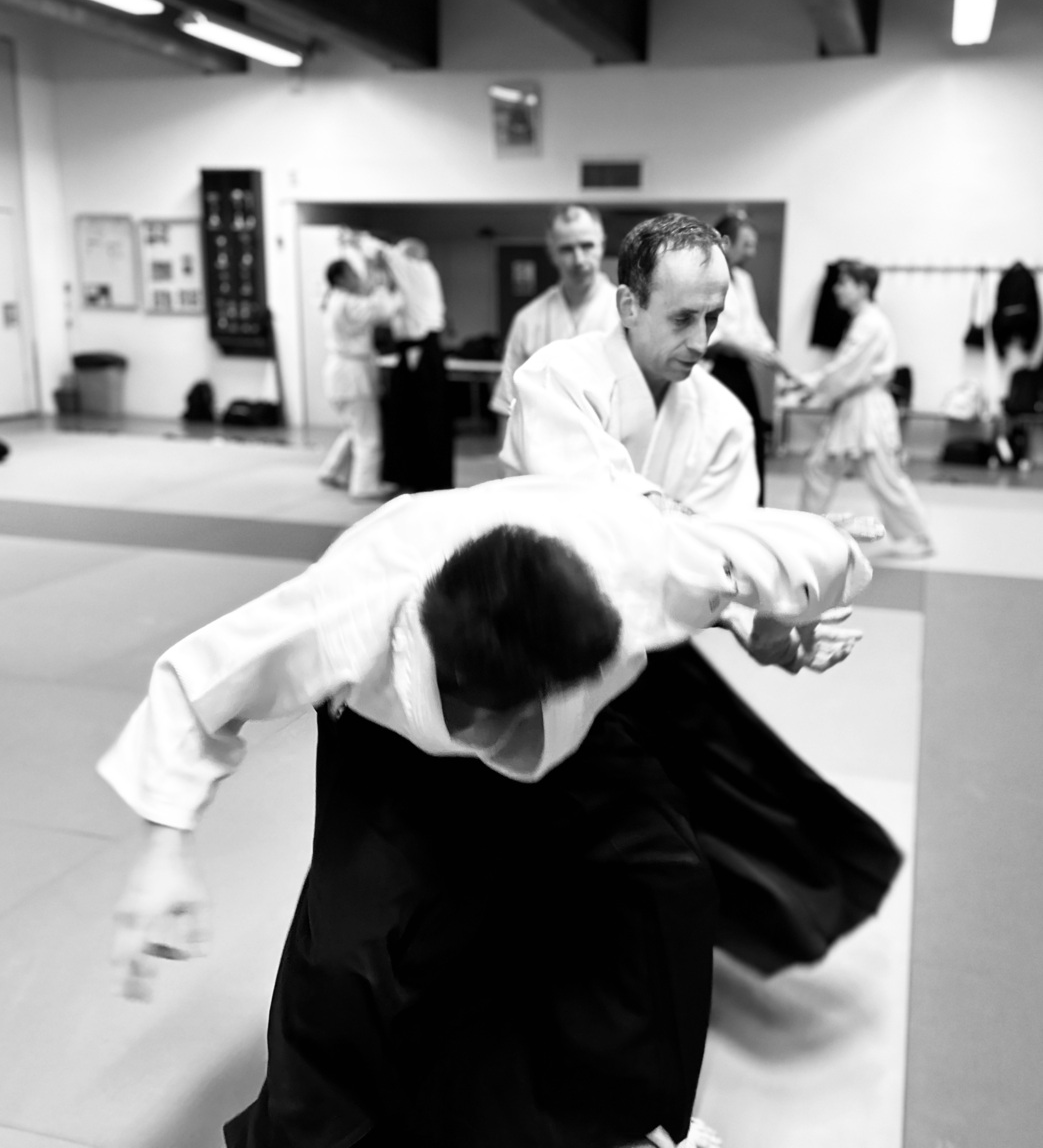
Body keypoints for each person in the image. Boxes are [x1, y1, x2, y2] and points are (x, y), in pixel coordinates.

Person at [100, 476, 874, 1148]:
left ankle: (630, 1118)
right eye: (495, 716)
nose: (504, 737)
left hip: (570, 712)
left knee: (664, 879)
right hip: (386, 734)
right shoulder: (346, 610)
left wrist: (770, 624)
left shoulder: (640, 557)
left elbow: (813, 553)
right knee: (352, 951)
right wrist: (164, 849)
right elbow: (194, 687)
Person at [503, 213, 903, 975]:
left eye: (713, 317)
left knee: (729, 801)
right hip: (532, 639)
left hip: (640, 639)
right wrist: (769, 547)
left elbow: (709, 564)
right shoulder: (556, 377)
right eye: (682, 317)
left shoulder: (721, 418)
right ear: (628, 304)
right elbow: (603, 517)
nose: (702, 337)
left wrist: (753, 616)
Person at [794, 259, 935, 559]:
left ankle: (918, 536)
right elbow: (844, 370)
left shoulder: (871, 323)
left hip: (869, 409)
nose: (836, 289)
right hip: (853, 406)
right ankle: (807, 532)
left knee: (884, 476)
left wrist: (809, 383)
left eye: (843, 283)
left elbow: (846, 368)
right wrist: (811, 386)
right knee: (819, 467)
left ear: (862, 287)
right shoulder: (861, 320)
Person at [489, 204, 619, 425]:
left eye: (587, 246)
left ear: (602, 245)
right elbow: (508, 406)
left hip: (612, 442)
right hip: (544, 443)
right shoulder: (528, 320)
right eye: (566, 249)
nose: (579, 260)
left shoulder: (628, 317)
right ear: (551, 253)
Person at [359, 232, 455, 492]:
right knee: (403, 416)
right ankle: (408, 477)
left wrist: (357, 238)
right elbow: (385, 311)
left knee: (428, 418)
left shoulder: (419, 271)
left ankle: (430, 481)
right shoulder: (408, 287)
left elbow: (382, 252)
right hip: (409, 352)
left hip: (425, 354)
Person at [706, 213, 784, 503]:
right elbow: (708, 331)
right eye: (747, 244)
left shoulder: (744, 280)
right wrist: (738, 347)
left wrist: (777, 359)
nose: (752, 252)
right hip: (713, 367)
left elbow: (754, 327)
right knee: (720, 442)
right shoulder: (704, 273)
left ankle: (754, 505)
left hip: (738, 367)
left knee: (751, 433)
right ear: (725, 243)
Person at [316, 257, 402, 499]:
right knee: (368, 435)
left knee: (354, 428)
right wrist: (384, 286)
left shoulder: (334, 300)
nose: (357, 278)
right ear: (341, 279)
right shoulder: (348, 302)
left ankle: (331, 470)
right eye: (352, 274)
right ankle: (364, 486)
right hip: (351, 375)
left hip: (339, 372)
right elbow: (383, 311)